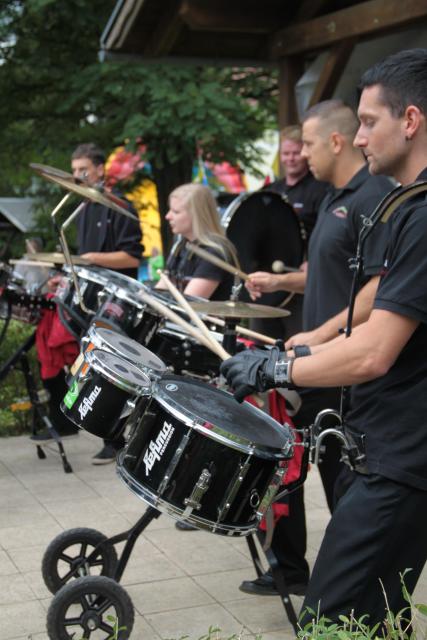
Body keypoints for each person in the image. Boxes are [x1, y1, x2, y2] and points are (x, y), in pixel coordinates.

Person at [221, 48, 427, 628]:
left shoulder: (421, 215)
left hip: (403, 461)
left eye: (369, 121)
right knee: (377, 618)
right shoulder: (408, 208)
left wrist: (275, 369)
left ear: (410, 120)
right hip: (389, 448)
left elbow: (374, 351)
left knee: (328, 620)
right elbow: (382, 321)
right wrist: (311, 348)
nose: (359, 138)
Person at [239, 101, 392, 599]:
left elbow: (380, 286)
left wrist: (323, 334)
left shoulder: (373, 197)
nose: (301, 153)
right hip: (319, 363)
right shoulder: (332, 200)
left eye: (306, 143)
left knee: (345, 488)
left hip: (348, 372)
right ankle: (292, 571)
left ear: (335, 141)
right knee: (289, 467)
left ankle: (361, 597)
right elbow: (325, 273)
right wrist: (280, 281)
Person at [33, 143, 143, 465]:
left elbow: (132, 257)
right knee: (89, 364)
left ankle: (117, 440)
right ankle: (99, 430)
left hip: (117, 299)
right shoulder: (82, 208)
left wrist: (92, 259)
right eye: (75, 170)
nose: (78, 176)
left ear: (99, 170)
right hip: (91, 297)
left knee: (112, 366)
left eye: (84, 170)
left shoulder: (119, 206)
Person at [252, 125, 329, 340]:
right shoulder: (270, 190)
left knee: (297, 346)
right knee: (262, 344)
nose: (291, 159)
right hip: (268, 280)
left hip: (301, 283)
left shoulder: (321, 190)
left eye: (296, 153)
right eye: (286, 153)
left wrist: (312, 260)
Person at [161, 182, 239, 300]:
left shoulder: (213, 254)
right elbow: (161, 290)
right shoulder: (182, 245)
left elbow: (190, 303)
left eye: (176, 212)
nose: (167, 216)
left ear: (196, 215)